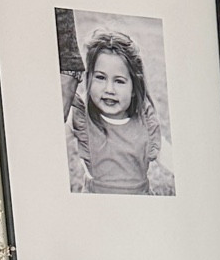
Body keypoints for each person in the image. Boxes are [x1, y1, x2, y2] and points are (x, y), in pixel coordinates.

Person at [64, 28, 169, 195]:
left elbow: (172, 160)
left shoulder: (145, 123)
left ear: (134, 87)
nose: (109, 89)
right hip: (96, 204)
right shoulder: (82, 116)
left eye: (119, 81)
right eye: (100, 77)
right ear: (88, 78)